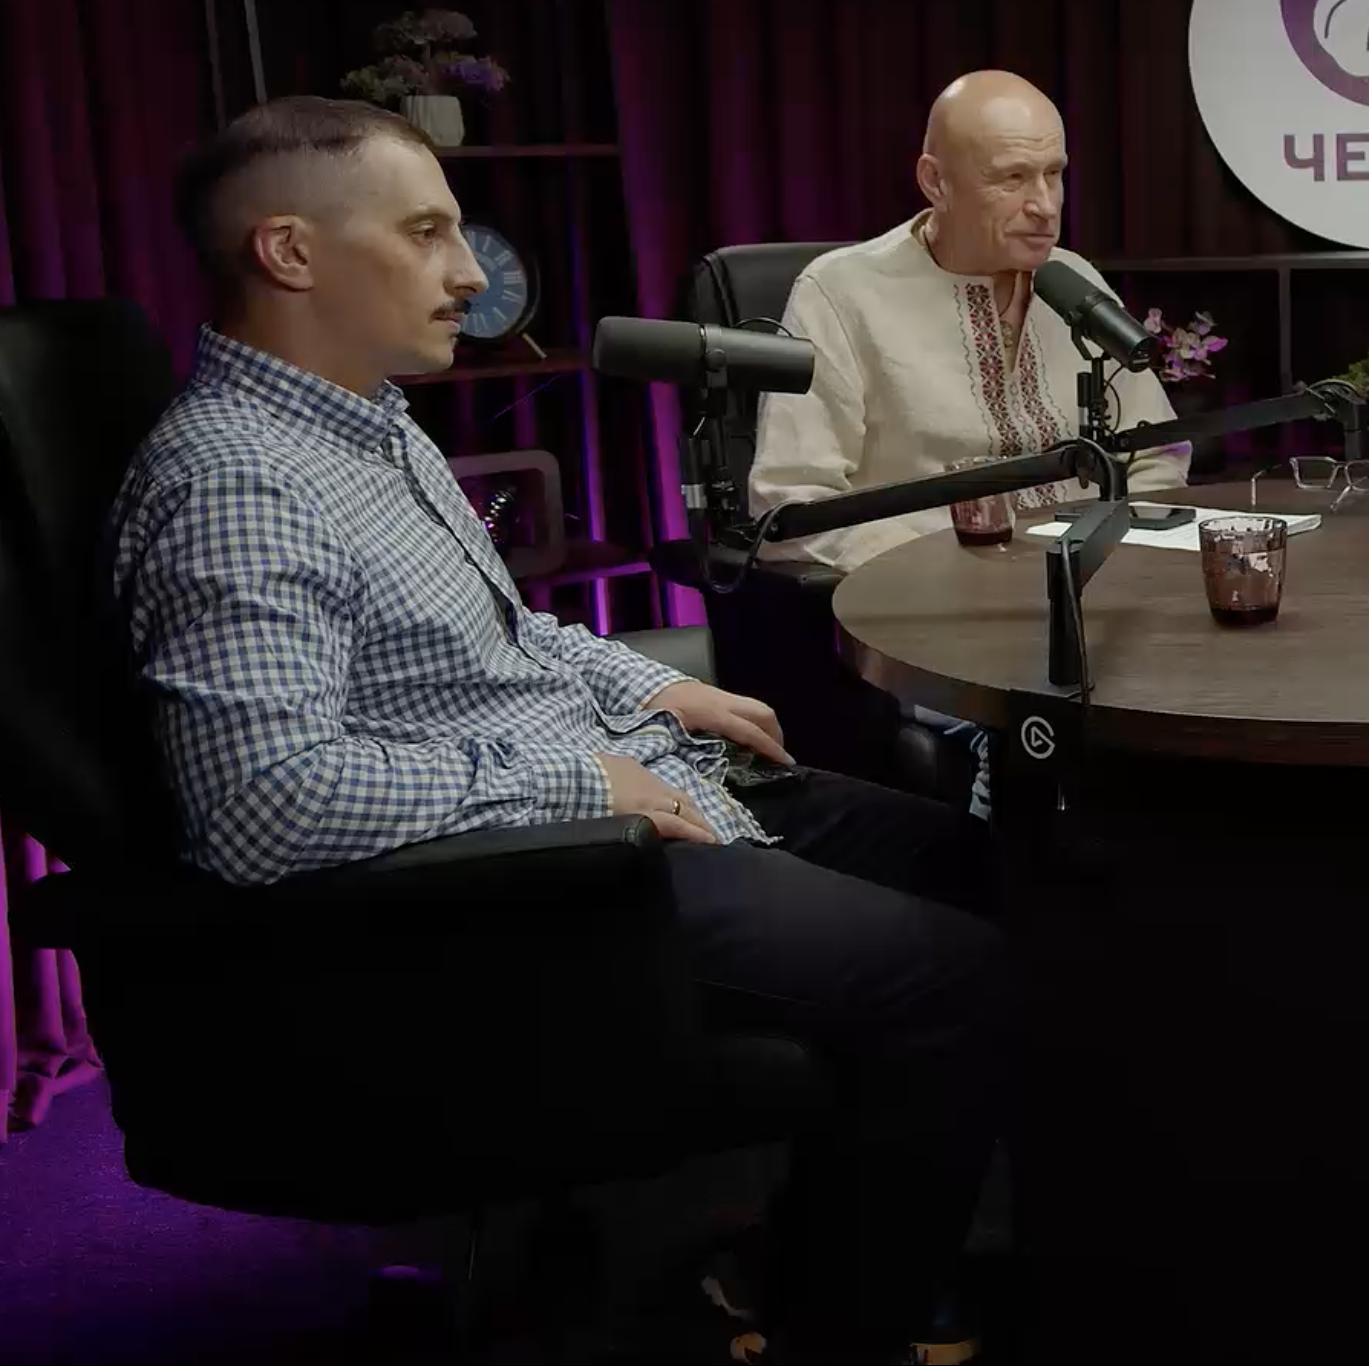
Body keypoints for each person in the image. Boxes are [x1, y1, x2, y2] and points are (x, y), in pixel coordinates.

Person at [110, 97, 1000, 1364]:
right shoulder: (238, 482)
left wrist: (649, 687)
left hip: (629, 788)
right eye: (425, 233)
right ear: (290, 252)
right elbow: (267, 802)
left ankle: (825, 1246)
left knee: (997, 868)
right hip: (530, 889)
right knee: (952, 976)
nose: (472, 274)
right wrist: (583, 779)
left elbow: (503, 633)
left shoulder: (367, 422)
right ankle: (839, 1326)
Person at [748, 68, 1189, 573]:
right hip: (926, 596)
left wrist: (1123, 554)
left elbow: (1157, 453)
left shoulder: (1074, 279)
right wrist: (948, 574)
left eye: (1053, 173)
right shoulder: (840, 294)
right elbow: (791, 502)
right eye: (1012, 178)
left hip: (1093, 584)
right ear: (935, 182)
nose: (1045, 206)